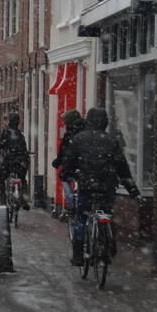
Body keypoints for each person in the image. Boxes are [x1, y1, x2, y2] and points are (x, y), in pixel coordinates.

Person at [59, 107, 140, 266]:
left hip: (87, 185)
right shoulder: (112, 141)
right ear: (105, 122)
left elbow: (68, 162)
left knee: (81, 217)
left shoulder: (79, 139)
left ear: (88, 121)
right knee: (106, 214)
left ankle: (77, 255)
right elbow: (122, 168)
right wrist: (132, 189)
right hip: (107, 185)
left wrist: (65, 174)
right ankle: (109, 244)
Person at [0, 113, 30, 211]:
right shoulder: (21, 135)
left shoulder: (6, 132)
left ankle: (3, 202)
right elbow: (24, 149)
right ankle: (23, 200)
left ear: (10, 122)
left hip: (9, 162)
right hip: (21, 163)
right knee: (23, 179)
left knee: (0, 179)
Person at [51, 109, 85, 214]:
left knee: (64, 178)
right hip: (87, 165)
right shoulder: (86, 129)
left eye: (65, 121)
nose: (64, 123)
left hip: (73, 164)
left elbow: (63, 150)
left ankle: (71, 204)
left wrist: (57, 162)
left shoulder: (70, 132)